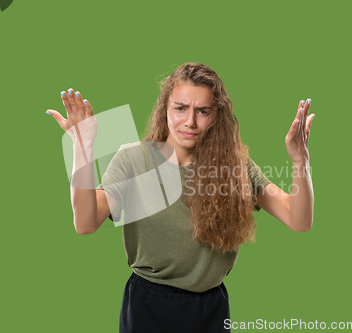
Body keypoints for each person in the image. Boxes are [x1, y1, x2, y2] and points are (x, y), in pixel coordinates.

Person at [46, 62, 315, 333]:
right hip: (148, 307)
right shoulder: (133, 160)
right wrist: (82, 149)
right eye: (180, 108)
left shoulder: (236, 166)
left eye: (203, 111)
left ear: (216, 116)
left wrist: (299, 161)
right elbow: (85, 222)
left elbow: (298, 219)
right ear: (165, 109)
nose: (190, 121)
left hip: (210, 309)